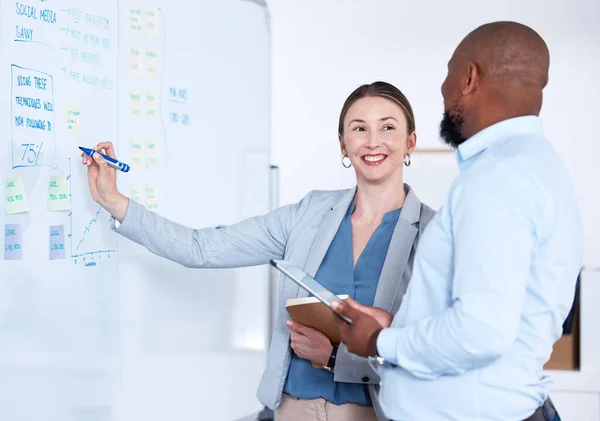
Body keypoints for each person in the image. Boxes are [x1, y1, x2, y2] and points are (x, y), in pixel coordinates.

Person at [81, 81, 435, 421]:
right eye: (359, 129)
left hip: (380, 412)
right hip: (294, 410)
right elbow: (200, 247)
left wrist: (334, 359)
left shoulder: (435, 233)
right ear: (343, 144)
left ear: (410, 142)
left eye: (387, 127)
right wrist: (114, 201)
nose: (373, 141)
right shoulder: (309, 214)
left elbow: (436, 347)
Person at [332, 21, 583, 421]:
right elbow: (496, 315)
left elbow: (481, 332)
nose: (444, 91)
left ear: (468, 77)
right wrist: (400, 328)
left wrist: (379, 341)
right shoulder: (540, 166)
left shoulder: (497, 176)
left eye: (448, 73)